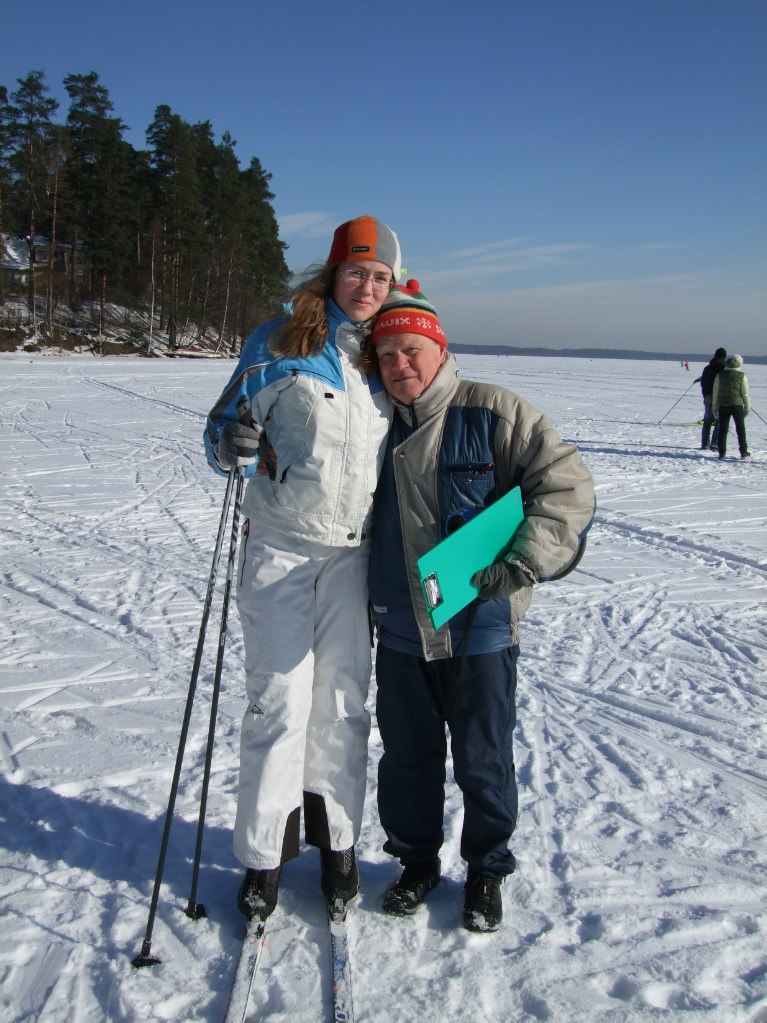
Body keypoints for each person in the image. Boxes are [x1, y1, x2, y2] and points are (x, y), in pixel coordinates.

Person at [361, 281, 595, 932]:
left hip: (481, 631)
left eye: (411, 349)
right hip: (402, 631)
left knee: (482, 756)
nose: (399, 364)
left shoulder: (494, 411)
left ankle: (486, 868)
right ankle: (415, 862)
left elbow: (566, 487)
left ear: (439, 350)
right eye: (386, 355)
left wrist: (522, 559)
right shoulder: (368, 422)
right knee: (406, 760)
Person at [203, 216, 401, 921]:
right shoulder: (280, 341)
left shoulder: (390, 352)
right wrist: (230, 441)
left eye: (378, 276)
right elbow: (220, 425)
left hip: (354, 556)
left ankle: (339, 843)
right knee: (279, 701)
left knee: (343, 704)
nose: (365, 285)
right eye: (355, 272)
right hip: (282, 546)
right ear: (331, 273)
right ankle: (263, 856)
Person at [713, 354, 751, 460]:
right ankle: (743, 452)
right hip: (737, 405)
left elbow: (715, 392)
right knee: (740, 429)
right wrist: (747, 407)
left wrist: (714, 407)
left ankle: (722, 452)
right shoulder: (742, 375)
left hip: (723, 405)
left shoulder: (720, 375)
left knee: (723, 429)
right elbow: (745, 393)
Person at [693, 347, 727, 450]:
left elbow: (703, 383)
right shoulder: (724, 368)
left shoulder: (707, 368)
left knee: (707, 420)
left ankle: (705, 444)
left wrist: (705, 395)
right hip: (720, 397)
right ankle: (715, 443)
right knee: (720, 420)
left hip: (708, 396)